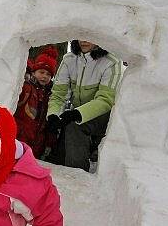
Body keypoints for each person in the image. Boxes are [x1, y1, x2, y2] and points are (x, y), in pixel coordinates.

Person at [46, 40, 122, 171]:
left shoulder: (111, 62)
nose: (84, 40)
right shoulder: (69, 60)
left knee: (74, 125)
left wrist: (77, 114)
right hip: (77, 113)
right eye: (80, 35)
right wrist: (53, 115)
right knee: (61, 126)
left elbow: (106, 100)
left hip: (104, 116)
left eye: (89, 36)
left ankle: (77, 175)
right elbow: (59, 94)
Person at [14, 46, 58, 159]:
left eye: (48, 74)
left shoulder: (50, 94)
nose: (44, 76)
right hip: (20, 136)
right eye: (41, 72)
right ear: (34, 72)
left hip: (37, 141)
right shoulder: (27, 87)